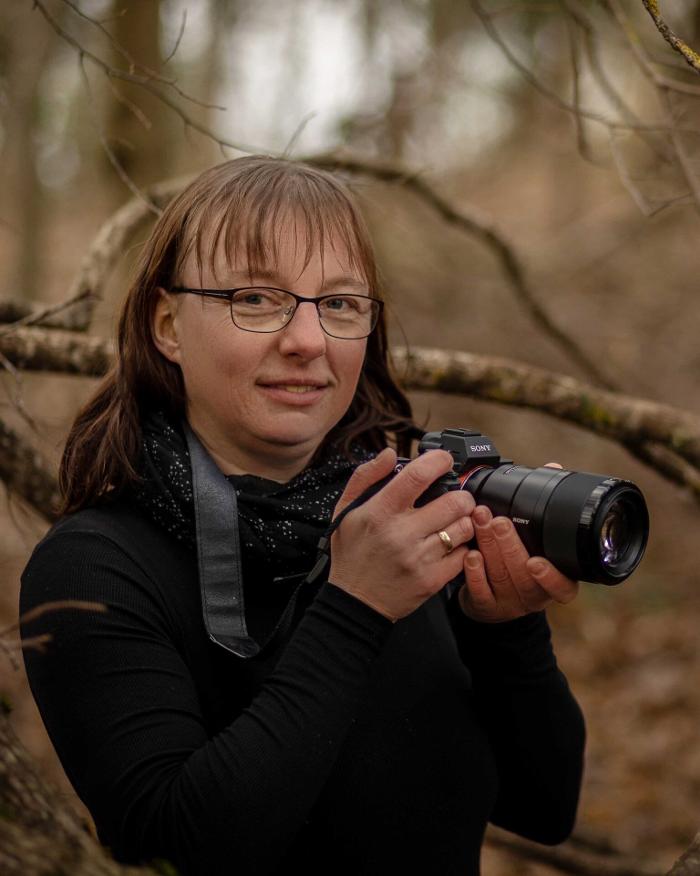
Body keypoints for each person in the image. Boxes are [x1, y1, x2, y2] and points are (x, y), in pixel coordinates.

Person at [20, 155, 585, 876]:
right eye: (256, 298)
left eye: (340, 304)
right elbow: (176, 846)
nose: (308, 341)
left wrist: (507, 631)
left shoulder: (402, 523)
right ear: (168, 324)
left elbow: (544, 806)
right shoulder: (93, 567)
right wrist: (355, 608)